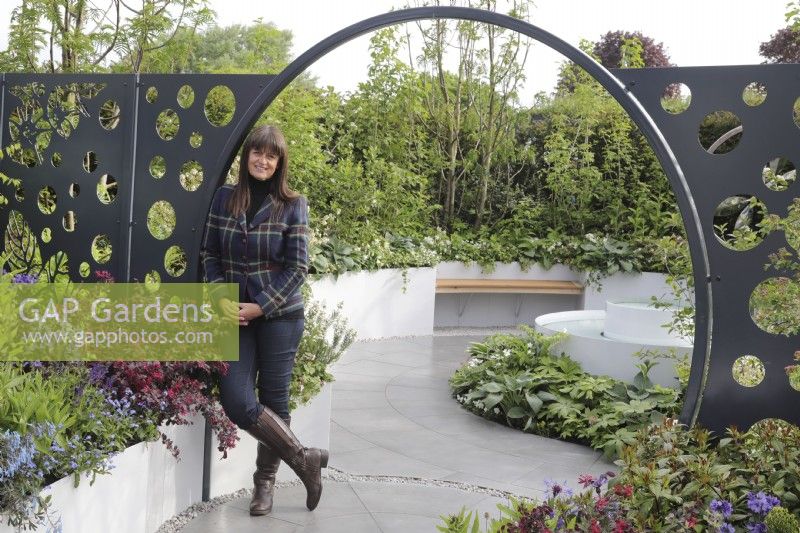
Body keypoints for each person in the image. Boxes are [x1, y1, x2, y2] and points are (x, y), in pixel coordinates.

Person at [201, 124, 327, 515]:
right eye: (258, 152)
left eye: (271, 156)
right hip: (234, 314)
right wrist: (222, 298)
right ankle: (305, 458)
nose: (263, 160)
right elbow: (208, 254)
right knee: (238, 402)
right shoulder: (223, 199)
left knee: (275, 399)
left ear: (279, 162)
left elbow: (297, 267)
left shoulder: (293, 204)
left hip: (279, 316)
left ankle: (265, 486)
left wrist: (263, 305)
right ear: (248, 156)